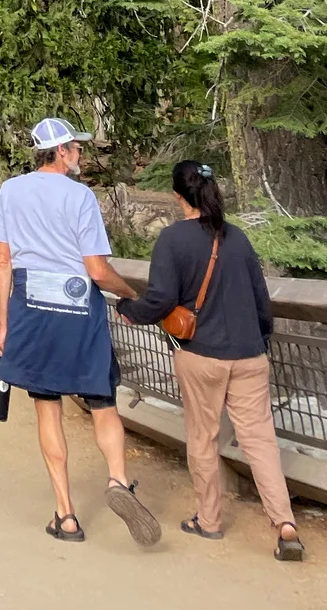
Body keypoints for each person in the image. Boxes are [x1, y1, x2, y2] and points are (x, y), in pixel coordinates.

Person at [117, 160, 304, 560]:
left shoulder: (172, 239)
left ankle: (209, 520)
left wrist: (130, 309)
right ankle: (285, 523)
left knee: (203, 438)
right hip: (249, 354)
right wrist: (260, 341)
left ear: (177, 196)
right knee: (260, 441)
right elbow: (260, 302)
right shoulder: (236, 237)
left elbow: (162, 299)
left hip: (200, 356)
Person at [0, 117, 160, 547]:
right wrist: (130, 293)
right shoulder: (81, 197)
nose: (81, 154)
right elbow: (97, 270)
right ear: (61, 151)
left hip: (32, 305)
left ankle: (65, 515)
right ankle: (119, 481)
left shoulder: (12, 190)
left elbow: (2, 262)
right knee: (102, 399)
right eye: (77, 148)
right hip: (77, 304)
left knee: (47, 406)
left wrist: (3, 324)